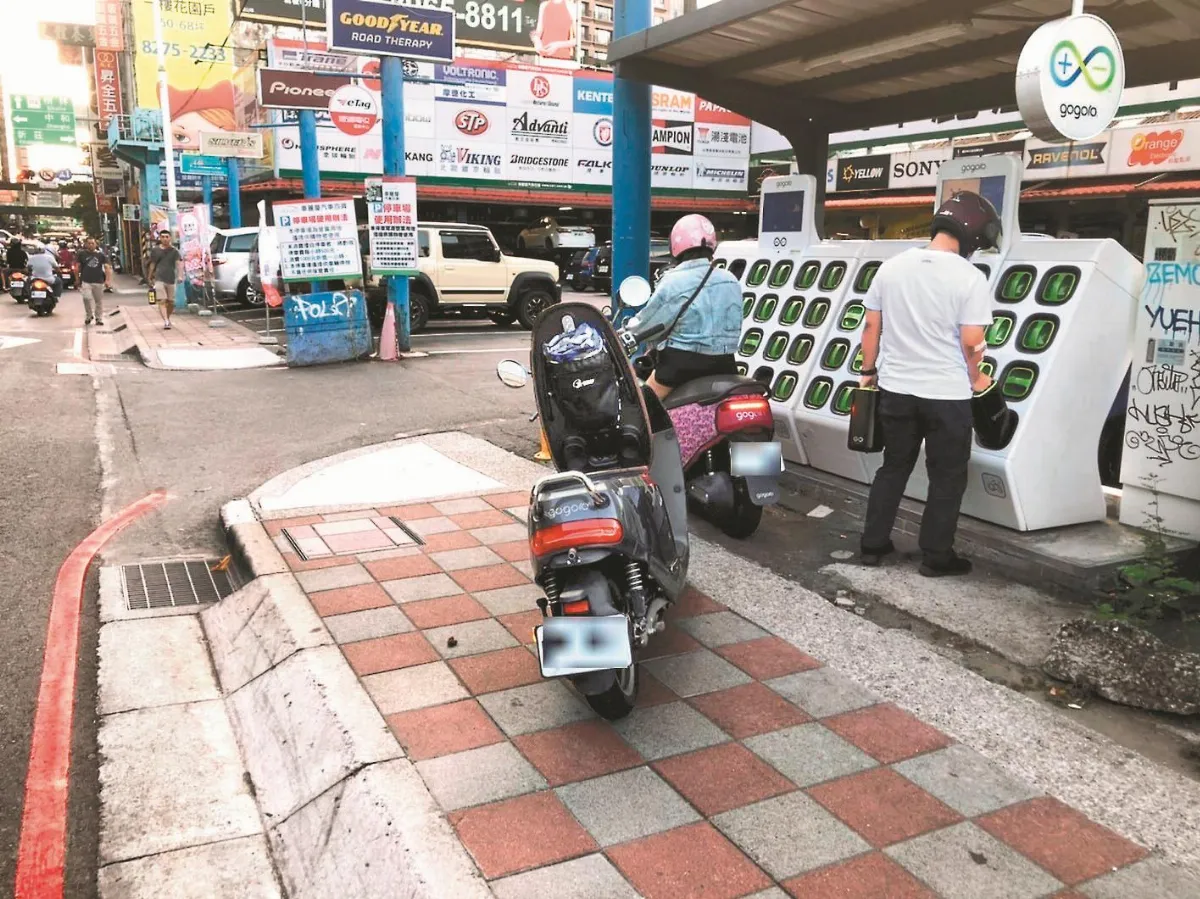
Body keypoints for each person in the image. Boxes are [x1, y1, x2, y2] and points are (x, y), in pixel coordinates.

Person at [858, 191, 999, 578]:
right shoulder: (969, 277)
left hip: (896, 389)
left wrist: (868, 372)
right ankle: (936, 556)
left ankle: (872, 545)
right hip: (947, 395)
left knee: (893, 466)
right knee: (947, 476)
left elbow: (870, 326)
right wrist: (977, 376)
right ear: (971, 234)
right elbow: (972, 340)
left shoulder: (891, 268)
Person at [627, 214, 743, 401]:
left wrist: (628, 332)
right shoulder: (730, 279)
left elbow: (648, 324)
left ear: (676, 244)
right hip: (725, 363)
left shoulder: (674, 281)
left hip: (682, 365)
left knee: (642, 406)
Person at [148, 230, 182, 329]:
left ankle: (167, 317)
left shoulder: (174, 251)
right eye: (162, 237)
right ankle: (166, 321)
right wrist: (150, 276)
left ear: (170, 238)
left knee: (171, 302)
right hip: (159, 278)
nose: (165, 239)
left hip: (171, 279)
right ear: (160, 238)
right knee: (162, 300)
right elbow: (152, 264)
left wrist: (180, 275)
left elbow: (178, 264)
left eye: (167, 237)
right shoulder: (155, 250)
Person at [77, 237, 114, 326]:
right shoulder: (82, 254)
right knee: (86, 298)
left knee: (99, 301)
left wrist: (108, 280)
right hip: (86, 281)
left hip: (98, 281)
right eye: (89, 243)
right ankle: (89, 315)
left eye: (92, 243)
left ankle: (98, 318)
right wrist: (77, 279)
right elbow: (77, 266)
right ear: (86, 244)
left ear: (96, 244)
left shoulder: (101, 255)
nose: (91, 245)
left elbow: (107, 267)